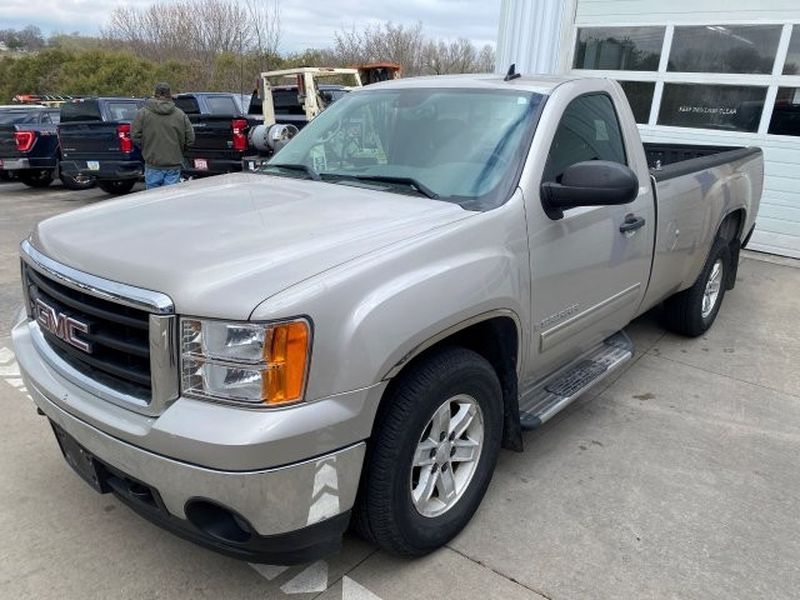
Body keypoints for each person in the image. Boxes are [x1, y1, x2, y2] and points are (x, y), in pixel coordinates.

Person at [132, 82, 194, 189]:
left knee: (153, 197)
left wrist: (147, 148)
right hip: (173, 164)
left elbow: (135, 136)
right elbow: (190, 139)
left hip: (153, 164)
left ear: (154, 94)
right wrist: (179, 151)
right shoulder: (180, 114)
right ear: (170, 95)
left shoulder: (142, 113)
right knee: (170, 196)